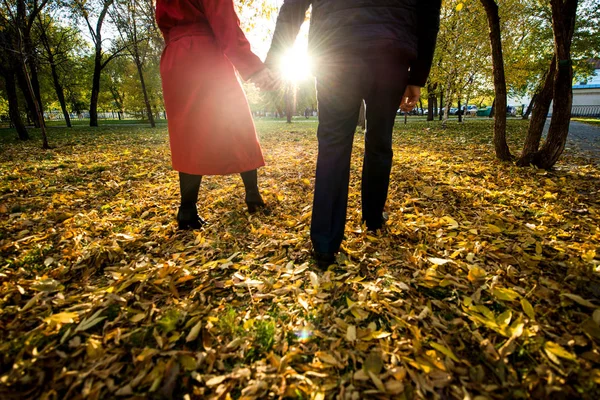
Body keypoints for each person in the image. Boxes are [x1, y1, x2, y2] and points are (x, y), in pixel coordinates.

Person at [266, 0, 442, 268]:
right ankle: (373, 218)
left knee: (333, 144)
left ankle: (325, 242)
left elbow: (294, 4)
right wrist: (418, 75)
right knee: (379, 140)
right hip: (390, 51)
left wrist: (276, 59)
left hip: (335, 49)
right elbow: (429, 12)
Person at [156, 0, 279, 229]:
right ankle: (252, 194)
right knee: (238, 121)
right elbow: (225, 24)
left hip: (175, 57)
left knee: (188, 133)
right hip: (205, 53)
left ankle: (187, 210)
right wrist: (254, 68)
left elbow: (163, 24)